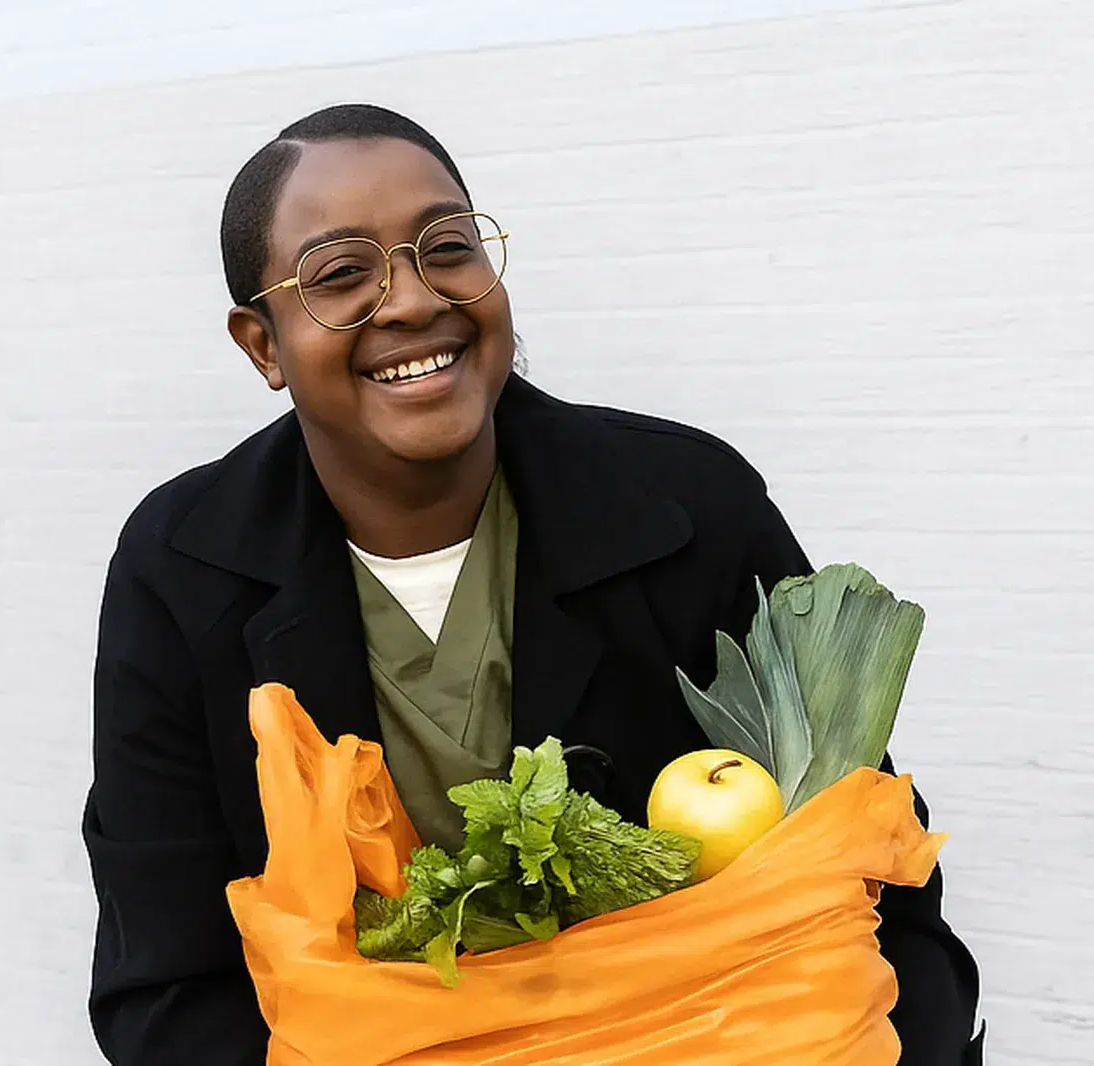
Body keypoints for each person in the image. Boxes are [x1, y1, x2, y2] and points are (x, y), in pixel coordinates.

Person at [82, 103, 982, 1065]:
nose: (413, 301)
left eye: (447, 248)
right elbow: (168, 982)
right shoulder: (180, 573)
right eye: (341, 274)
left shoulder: (686, 510)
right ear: (262, 344)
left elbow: (877, 885)